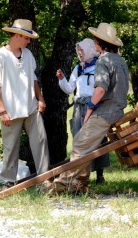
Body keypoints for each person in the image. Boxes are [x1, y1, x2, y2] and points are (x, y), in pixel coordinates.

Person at [48, 23, 129, 195]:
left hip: (106, 111)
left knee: (80, 142)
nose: (94, 44)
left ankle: (64, 184)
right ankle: (79, 183)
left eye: (95, 40)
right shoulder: (120, 61)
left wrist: (91, 108)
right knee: (85, 143)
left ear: (100, 43)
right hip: (117, 109)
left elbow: (100, 89)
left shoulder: (103, 60)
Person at [0, 19, 50, 191]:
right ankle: (6, 182)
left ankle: (44, 180)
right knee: (11, 147)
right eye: (27, 38)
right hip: (10, 110)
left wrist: (41, 98)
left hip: (31, 107)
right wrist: (2, 110)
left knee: (41, 141)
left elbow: (34, 79)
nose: (29, 41)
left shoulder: (28, 55)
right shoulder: (0, 56)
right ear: (17, 35)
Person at [56, 38, 110, 184]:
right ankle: (80, 175)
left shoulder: (100, 66)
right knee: (79, 139)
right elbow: (68, 89)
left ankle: (100, 175)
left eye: (82, 50)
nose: (79, 53)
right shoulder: (78, 68)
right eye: (78, 50)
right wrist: (61, 79)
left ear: (90, 50)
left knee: (97, 139)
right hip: (79, 107)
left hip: (94, 106)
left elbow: (102, 88)